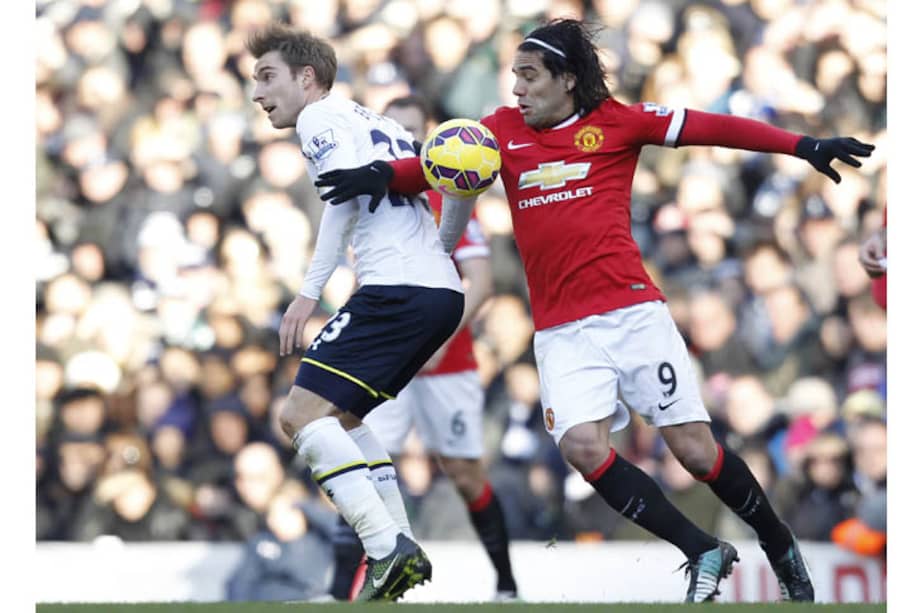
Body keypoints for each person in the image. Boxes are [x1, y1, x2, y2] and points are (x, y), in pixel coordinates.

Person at [315, 19, 876, 603]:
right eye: (514, 77)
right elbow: (435, 167)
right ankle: (701, 549)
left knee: (694, 451)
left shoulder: (617, 123)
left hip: (632, 313)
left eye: (529, 77)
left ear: (567, 78)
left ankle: (778, 543)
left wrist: (803, 145)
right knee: (582, 449)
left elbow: (714, 128)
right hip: (560, 331)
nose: (518, 90)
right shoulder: (500, 132)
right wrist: (377, 176)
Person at [246, 23, 470, 602]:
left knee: (297, 416)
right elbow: (442, 188)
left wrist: (307, 293)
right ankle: (400, 548)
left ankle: (386, 547)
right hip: (437, 292)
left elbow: (340, 204)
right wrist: (439, 259)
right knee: (341, 421)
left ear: (306, 77)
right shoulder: (380, 121)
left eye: (267, 77)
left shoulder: (319, 119)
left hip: (395, 288)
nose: (257, 93)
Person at [327, 95, 519, 602]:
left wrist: (439, 339)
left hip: (444, 361)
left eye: (415, 132)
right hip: (387, 360)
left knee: (462, 471)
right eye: (397, 130)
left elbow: (480, 280)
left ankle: (506, 584)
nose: (405, 141)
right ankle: (338, 590)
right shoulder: (369, 198)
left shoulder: (449, 192)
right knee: (356, 463)